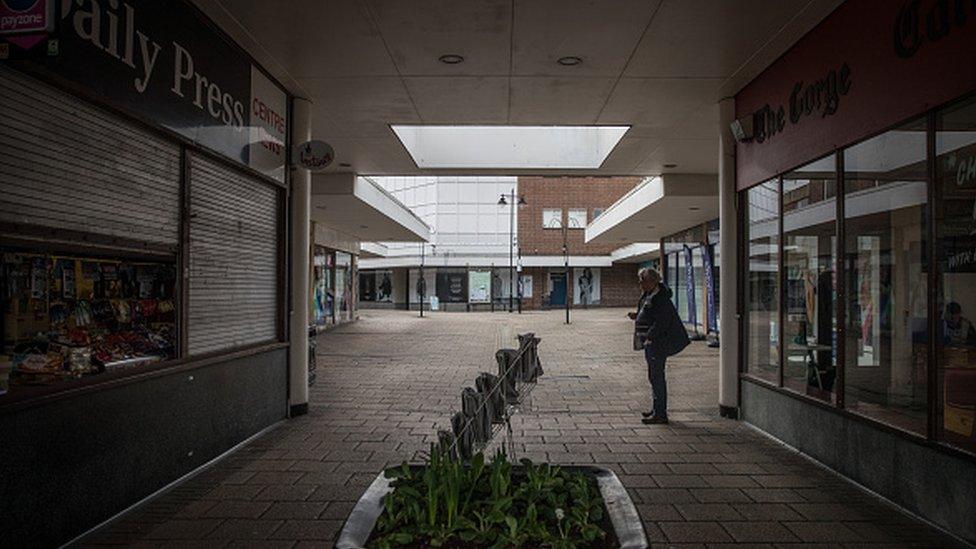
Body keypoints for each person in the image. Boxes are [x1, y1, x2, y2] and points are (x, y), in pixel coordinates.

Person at [629, 267, 690, 424]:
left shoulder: (661, 298)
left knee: (657, 377)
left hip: (657, 343)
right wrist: (637, 316)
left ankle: (660, 413)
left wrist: (650, 336)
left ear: (652, 281)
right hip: (651, 342)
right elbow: (649, 312)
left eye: (642, 281)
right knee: (653, 376)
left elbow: (662, 322)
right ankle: (657, 408)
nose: (640, 284)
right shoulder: (651, 294)